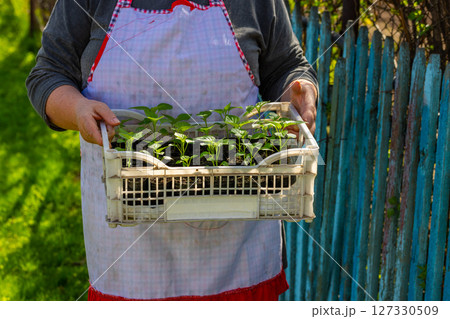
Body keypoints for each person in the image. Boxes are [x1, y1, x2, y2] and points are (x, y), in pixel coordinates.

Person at [26, 0, 318, 301]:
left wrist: (299, 91)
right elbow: (48, 74)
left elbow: (285, 65)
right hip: (129, 242)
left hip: (239, 243)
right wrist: (77, 110)